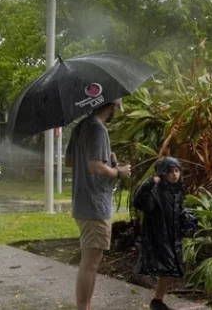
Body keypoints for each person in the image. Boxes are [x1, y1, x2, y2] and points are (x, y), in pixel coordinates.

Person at [67, 99, 131, 310]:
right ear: (110, 106)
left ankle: (85, 306)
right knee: (91, 262)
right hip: (94, 204)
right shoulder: (97, 128)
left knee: (91, 260)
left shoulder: (81, 127)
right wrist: (119, 171)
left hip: (82, 201)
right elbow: (95, 167)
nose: (116, 111)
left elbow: (70, 161)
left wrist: (107, 159)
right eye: (117, 106)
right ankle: (83, 307)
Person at [133, 157, 196, 310]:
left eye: (176, 171)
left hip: (171, 236)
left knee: (169, 269)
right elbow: (139, 201)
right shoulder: (156, 191)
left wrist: (186, 218)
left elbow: (176, 210)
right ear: (162, 173)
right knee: (167, 268)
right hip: (159, 236)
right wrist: (150, 182)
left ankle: (158, 301)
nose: (174, 175)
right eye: (170, 171)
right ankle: (157, 301)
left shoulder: (176, 190)